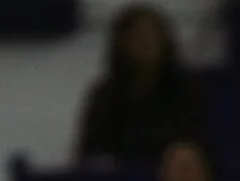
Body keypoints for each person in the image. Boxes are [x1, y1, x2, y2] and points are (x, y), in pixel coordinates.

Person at [75, 3, 205, 165]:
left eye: (152, 35)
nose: (146, 43)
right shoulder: (105, 96)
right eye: (137, 36)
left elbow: (196, 146)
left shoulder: (186, 91)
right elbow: (91, 156)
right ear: (122, 43)